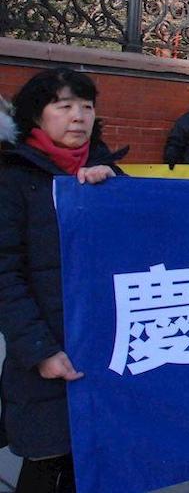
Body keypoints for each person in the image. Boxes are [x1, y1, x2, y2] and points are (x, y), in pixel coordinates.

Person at [0, 68, 124, 493]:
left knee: (97, 463)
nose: (78, 116)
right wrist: (40, 351)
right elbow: (4, 276)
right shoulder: (14, 178)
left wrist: (111, 188)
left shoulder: (107, 176)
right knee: (50, 462)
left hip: (103, 350)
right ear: (36, 116)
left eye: (86, 106)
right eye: (64, 105)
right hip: (47, 356)